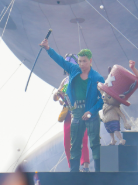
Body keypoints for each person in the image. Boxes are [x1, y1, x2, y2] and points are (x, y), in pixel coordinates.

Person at [40, 38, 105, 172]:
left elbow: (102, 99)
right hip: (76, 111)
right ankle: (74, 172)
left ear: (90, 61)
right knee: (74, 143)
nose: (81, 64)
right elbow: (61, 61)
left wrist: (91, 111)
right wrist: (48, 49)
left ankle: (98, 172)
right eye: (80, 61)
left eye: (84, 61)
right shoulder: (74, 69)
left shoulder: (97, 77)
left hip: (90, 112)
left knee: (94, 142)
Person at [53, 70, 90, 172]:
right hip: (69, 113)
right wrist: (57, 93)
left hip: (80, 111)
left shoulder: (82, 78)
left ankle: (85, 166)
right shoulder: (65, 81)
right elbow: (55, 97)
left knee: (83, 139)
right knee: (67, 141)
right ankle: (73, 167)